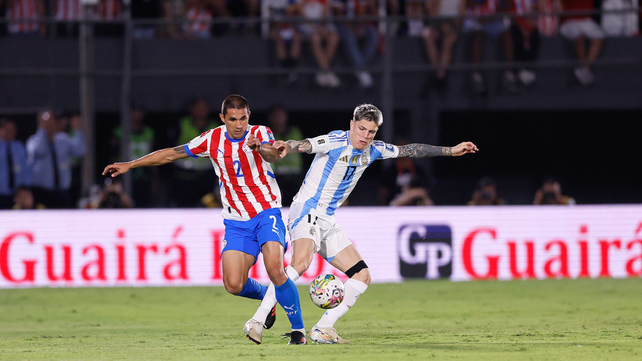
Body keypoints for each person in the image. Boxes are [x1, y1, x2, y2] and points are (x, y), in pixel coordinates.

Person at [246, 103, 478, 344]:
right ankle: (257, 320)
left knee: (362, 275)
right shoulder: (336, 140)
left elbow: (410, 149)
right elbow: (304, 144)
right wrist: (287, 145)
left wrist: (450, 151)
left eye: (371, 132)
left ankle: (324, 327)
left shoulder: (374, 150)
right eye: (361, 129)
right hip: (307, 211)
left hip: (327, 218)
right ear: (352, 125)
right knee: (300, 263)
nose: (365, 136)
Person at [103, 94, 307, 345]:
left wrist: (258, 147)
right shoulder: (212, 139)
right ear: (223, 118)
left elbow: (274, 154)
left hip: (266, 212)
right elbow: (171, 154)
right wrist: (130, 165)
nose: (239, 125)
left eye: (243, 118)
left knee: (275, 268)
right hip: (236, 221)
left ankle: (298, 331)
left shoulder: (260, 133)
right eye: (233, 119)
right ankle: (268, 297)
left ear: (249, 116)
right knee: (233, 284)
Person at [26, 109, 86, 208]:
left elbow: (80, 151)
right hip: (41, 191)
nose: (49, 125)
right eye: (46, 122)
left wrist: (77, 130)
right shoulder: (33, 141)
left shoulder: (63, 139)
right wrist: (42, 130)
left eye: (52, 121)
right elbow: (40, 150)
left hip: (62, 190)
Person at [170, 98, 221, 208]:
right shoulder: (182, 124)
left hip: (206, 177)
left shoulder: (215, 126)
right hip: (184, 176)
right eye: (198, 108)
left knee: (208, 206)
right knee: (184, 207)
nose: (201, 111)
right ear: (191, 109)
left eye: (204, 108)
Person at [111, 104, 159, 207]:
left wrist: (155, 180)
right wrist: (114, 179)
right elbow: (113, 156)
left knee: (145, 204)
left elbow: (156, 156)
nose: (136, 115)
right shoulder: (119, 132)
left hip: (145, 175)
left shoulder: (149, 132)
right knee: (125, 204)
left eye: (138, 112)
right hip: (125, 175)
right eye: (133, 112)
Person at [463, 0, 516, 94]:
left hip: (494, 21)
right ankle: (476, 75)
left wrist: (494, 15)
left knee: (507, 35)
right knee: (478, 36)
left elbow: (506, 5)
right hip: (476, 20)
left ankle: (509, 74)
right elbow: (469, 5)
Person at [333, 0, 379, 88]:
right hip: (343, 25)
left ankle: (359, 68)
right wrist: (352, 28)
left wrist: (358, 27)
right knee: (349, 36)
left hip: (357, 24)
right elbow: (339, 15)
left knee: (373, 34)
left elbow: (362, 13)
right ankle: (361, 70)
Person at [559, 0, 604, 86]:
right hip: (568, 20)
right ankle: (584, 69)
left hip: (585, 20)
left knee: (599, 37)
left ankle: (585, 69)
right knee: (579, 36)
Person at [267, 105, 304, 206]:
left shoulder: (295, 132)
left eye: (280, 115)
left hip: (295, 176)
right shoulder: (268, 135)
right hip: (277, 176)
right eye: (275, 116)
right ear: (271, 117)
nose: (278, 118)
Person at [422, 0, 466, 83]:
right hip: (436, 22)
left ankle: (441, 73)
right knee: (427, 34)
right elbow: (432, 14)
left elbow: (462, 14)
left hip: (453, 23)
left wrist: (452, 24)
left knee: (448, 40)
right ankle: (437, 68)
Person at [0, 118, 32, 209]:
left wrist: (26, 188)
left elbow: (26, 168)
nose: (10, 132)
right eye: (7, 130)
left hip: (17, 194)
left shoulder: (19, 147)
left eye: (13, 129)